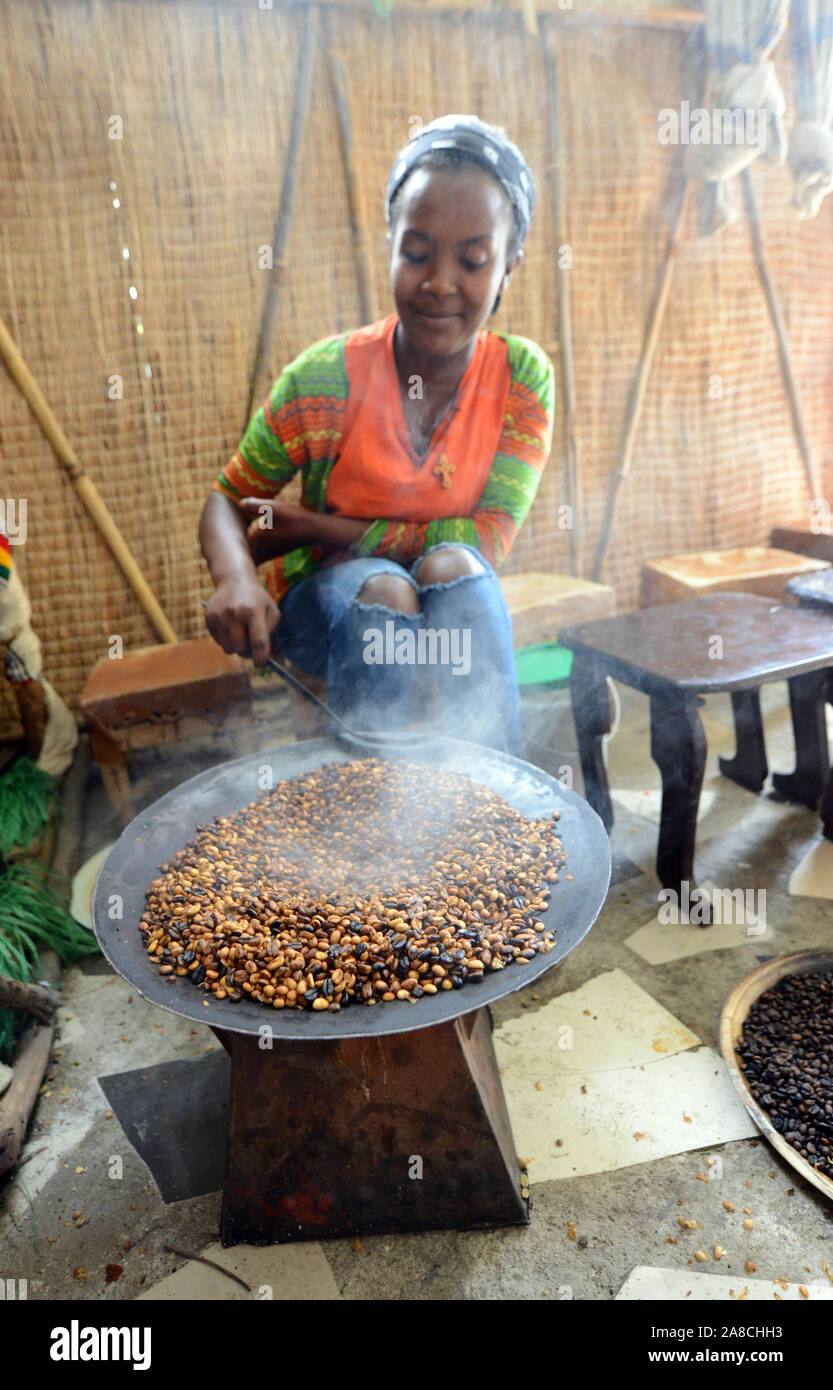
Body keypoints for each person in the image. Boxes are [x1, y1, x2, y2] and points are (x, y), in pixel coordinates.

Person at [200, 114, 554, 754]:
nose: (440, 282)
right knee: (389, 589)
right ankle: (371, 820)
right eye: (417, 254)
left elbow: (487, 537)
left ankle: (503, 801)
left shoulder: (522, 379)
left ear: (508, 269)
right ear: (390, 245)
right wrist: (236, 579)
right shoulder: (325, 379)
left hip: (450, 610)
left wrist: (315, 526)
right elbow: (227, 501)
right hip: (324, 614)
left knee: (457, 566)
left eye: (472, 260)